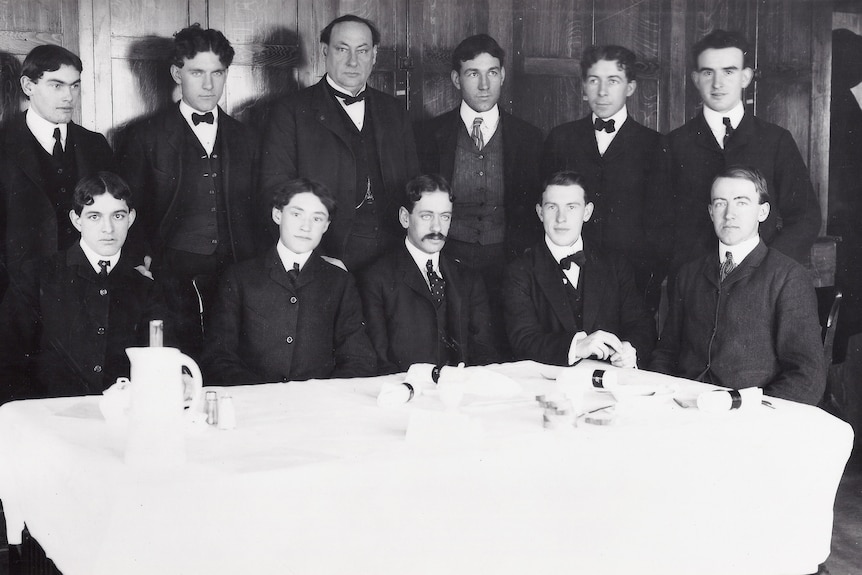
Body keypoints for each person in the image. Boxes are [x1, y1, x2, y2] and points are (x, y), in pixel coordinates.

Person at [115, 24, 265, 355]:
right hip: (170, 276)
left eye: (217, 72)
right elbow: (127, 208)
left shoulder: (248, 138)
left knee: (233, 361)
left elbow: (260, 210)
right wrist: (141, 262)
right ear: (176, 72)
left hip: (236, 272)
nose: (209, 84)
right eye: (197, 72)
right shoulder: (144, 136)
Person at [650, 166, 825, 405]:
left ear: (762, 212)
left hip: (749, 418)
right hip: (684, 409)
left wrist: (749, 410)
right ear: (711, 212)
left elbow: (807, 377)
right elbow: (666, 353)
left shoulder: (788, 277)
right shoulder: (689, 274)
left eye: (741, 202)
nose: (729, 214)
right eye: (720, 203)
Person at [260, 14, 419, 272]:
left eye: (362, 50)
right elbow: (276, 191)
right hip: (326, 255)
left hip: (392, 255)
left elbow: (414, 184)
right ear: (325, 51)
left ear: (375, 55)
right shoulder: (291, 111)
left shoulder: (394, 110)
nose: (353, 61)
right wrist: (314, 256)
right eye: (342, 49)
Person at [415, 34, 543, 352]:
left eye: (492, 73)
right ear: (456, 80)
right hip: (447, 260)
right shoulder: (429, 134)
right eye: (473, 74)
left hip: (507, 262)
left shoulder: (529, 137)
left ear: (502, 75)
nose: (484, 85)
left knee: (503, 348)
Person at [0, 172, 168, 403]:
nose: (107, 229)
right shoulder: (37, 275)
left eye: (118, 216)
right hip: (48, 418)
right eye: (94, 217)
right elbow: (7, 361)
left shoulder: (145, 286)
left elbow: (160, 365)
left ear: (131, 218)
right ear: (76, 220)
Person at [667, 29, 820, 271]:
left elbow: (805, 218)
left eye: (729, 71)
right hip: (694, 285)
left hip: (762, 285)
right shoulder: (674, 144)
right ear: (696, 78)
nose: (718, 83)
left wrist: (767, 268)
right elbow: (658, 224)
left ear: (746, 77)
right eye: (708, 72)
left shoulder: (776, 140)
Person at [201, 178, 376, 384]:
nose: (305, 227)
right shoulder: (240, 278)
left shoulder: (340, 282)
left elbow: (358, 358)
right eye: (296, 214)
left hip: (318, 405)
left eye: (317, 219)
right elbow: (218, 356)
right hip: (255, 404)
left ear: (326, 226)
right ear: (277, 215)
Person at [542, 45, 670, 311]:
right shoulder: (561, 138)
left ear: (630, 88)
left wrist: (649, 278)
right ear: (583, 87)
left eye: (613, 81)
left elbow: (661, 224)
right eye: (594, 80)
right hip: (569, 273)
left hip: (633, 280)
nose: (602, 91)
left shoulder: (655, 145)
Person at [503, 171, 655, 367]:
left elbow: (641, 326)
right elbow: (522, 340)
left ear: (587, 212)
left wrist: (630, 349)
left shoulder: (615, 265)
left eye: (571, 207)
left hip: (607, 383)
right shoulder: (519, 271)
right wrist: (576, 347)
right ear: (540, 212)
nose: (561, 218)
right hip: (548, 386)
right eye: (552, 207)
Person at [0, 44, 113, 300]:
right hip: (19, 294)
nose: (69, 97)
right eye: (56, 85)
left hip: (87, 288)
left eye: (74, 86)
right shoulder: (3, 143)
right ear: (28, 86)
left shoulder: (95, 144)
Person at [358, 174, 498, 374]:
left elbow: (484, 353)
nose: (437, 227)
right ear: (405, 218)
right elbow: (378, 360)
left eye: (445, 216)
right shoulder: (376, 278)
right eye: (426, 216)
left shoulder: (468, 279)